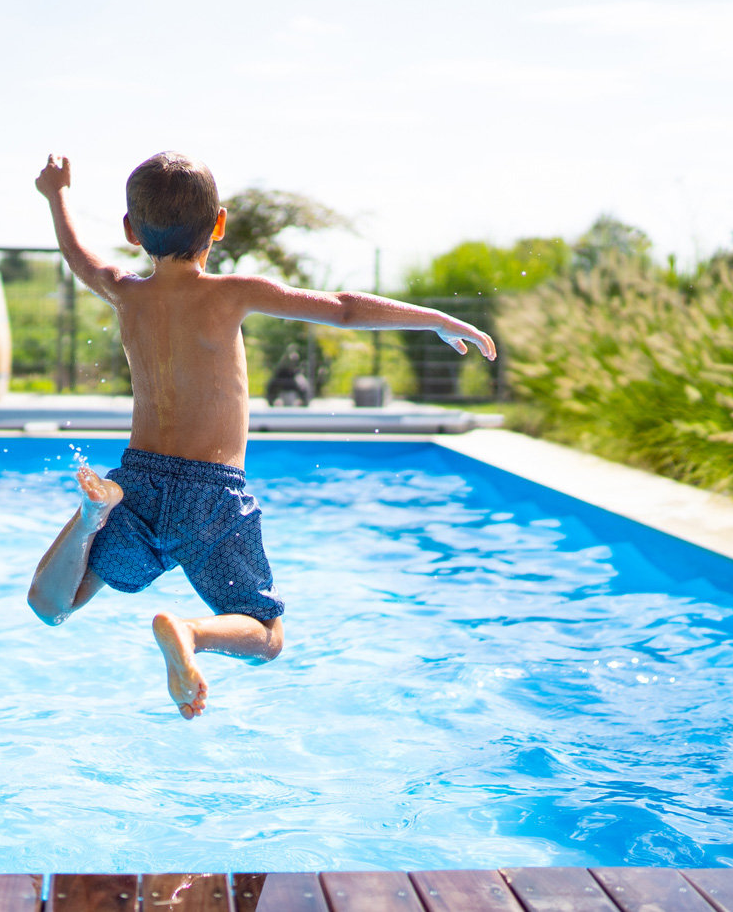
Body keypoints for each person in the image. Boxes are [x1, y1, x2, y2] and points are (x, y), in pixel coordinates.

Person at [25, 151, 496, 719]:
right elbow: (343, 309)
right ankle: (190, 632)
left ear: (130, 230)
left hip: (137, 482)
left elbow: (78, 258)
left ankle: (88, 519)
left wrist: (57, 195)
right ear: (218, 225)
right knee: (267, 635)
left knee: (54, 606)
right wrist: (435, 318)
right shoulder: (231, 293)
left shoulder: (126, 291)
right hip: (211, 494)